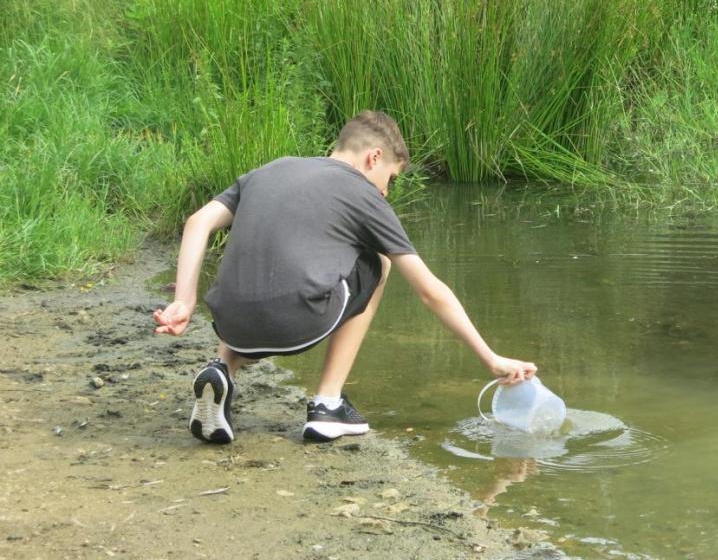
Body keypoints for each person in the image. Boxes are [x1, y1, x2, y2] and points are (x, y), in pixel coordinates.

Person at [152, 110, 536, 444]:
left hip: (229, 322)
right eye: (392, 178)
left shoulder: (269, 170)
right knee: (380, 262)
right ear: (374, 157)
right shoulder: (363, 193)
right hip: (292, 322)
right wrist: (490, 358)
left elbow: (198, 222)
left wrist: (184, 301)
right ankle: (328, 404)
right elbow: (429, 291)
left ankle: (222, 370)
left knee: (266, 272)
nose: (387, 192)